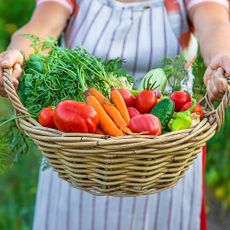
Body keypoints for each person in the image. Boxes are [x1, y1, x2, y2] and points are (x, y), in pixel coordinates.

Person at [0, 0, 229, 229]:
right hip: (78, 153)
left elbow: (215, 23)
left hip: (167, 157)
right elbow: (42, 27)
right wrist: (17, 55)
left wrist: (222, 56)